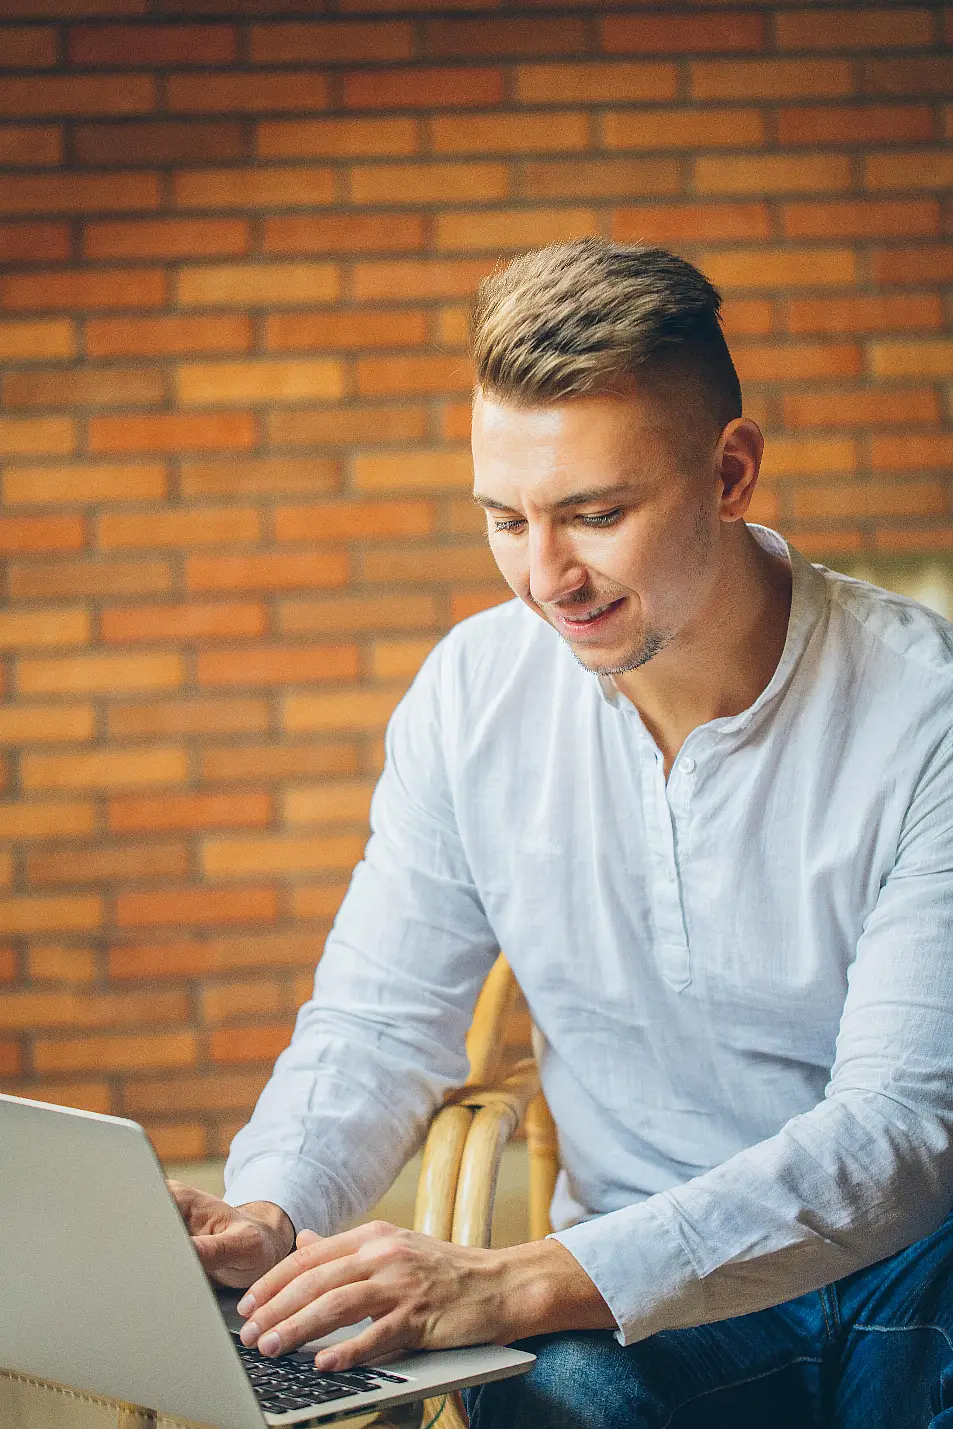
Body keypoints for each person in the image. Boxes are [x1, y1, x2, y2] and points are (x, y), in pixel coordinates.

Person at [171, 240, 953, 1428]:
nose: (546, 579)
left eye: (594, 515)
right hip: (640, 1302)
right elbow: (379, 1022)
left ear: (729, 472)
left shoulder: (921, 711)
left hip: (910, 1274)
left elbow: (899, 1133)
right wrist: (272, 1210)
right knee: (549, 1399)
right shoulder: (470, 695)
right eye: (505, 520)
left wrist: (511, 1277)